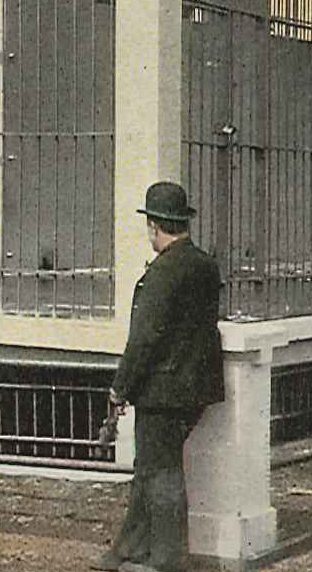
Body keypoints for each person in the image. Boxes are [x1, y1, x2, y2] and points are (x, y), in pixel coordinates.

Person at [93, 181, 224, 572]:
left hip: (162, 391)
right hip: (197, 388)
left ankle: (167, 558)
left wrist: (120, 388)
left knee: (161, 472)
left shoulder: (162, 273)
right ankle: (126, 549)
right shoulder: (205, 265)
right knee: (150, 467)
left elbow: (144, 339)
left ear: (154, 226)